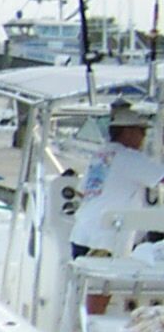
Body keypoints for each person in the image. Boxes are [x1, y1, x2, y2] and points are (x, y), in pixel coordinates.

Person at [70, 103, 163, 310]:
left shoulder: (101, 155)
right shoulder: (130, 158)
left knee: (88, 292)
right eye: (141, 131)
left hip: (82, 233)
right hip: (104, 238)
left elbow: (82, 190)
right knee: (99, 293)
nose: (143, 136)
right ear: (127, 132)